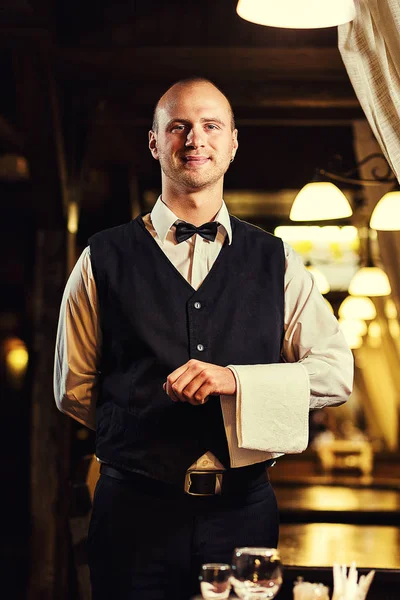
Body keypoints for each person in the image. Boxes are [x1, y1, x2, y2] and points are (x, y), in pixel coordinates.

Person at [54, 77, 353, 600]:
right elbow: (73, 390)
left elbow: (334, 371)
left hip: (244, 513)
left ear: (233, 143)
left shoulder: (276, 260)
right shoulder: (100, 258)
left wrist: (237, 381)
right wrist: (142, 443)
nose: (195, 140)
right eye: (179, 127)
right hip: (132, 512)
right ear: (155, 143)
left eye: (211, 126)